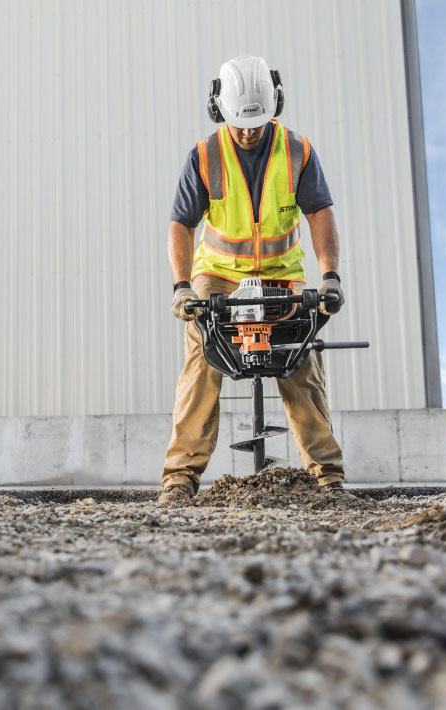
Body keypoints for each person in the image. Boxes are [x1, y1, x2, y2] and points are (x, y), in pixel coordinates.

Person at [159, 55, 347, 505]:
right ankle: (180, 476)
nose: (247, 132)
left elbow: (319, 212)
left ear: (275, 106)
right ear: (217, 109)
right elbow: (181, 224)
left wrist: (330, 277)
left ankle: (328, 476)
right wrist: (182, 286)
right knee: (204, 352)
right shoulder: (204, 156)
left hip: (281, 274)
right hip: (219, 276)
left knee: (301, 358)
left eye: (257, 123)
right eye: (239, 123)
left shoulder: (297, 149)